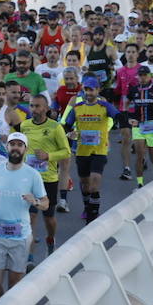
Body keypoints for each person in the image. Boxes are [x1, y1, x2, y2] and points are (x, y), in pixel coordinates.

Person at [0, 132, 49, 300]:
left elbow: (46, 203)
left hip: (20, 237)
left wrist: (36, 202)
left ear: (25, 149)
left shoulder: (33, 175)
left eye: (19, 145)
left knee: (15, 288)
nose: (15, 148)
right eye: (12, 144)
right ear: (7, 147)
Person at [18, 93, 72, 255]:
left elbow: (66, 152)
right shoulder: (24, 126)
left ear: (46, 108)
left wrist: (49, 156)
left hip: (48, 179)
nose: (34, 109)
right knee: (31, 217)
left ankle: (50, 238)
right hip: (28, 180)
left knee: (48, 218)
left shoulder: (55, 127)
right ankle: (30, 256)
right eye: (32, 106)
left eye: (38, 106)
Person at [60, 75, 117, 222]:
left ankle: (94, 214)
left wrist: (125, 121)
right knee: (85, 184)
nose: (89, 93)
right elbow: (66, 125)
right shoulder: (77, 107)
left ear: (98, 90)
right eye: (86, 90)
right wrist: (69, 133)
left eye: (92, 90)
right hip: (82, 151)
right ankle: (87, 207)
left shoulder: (104, 106)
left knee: (95, 181)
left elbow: (117, 116)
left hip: (99, 150)